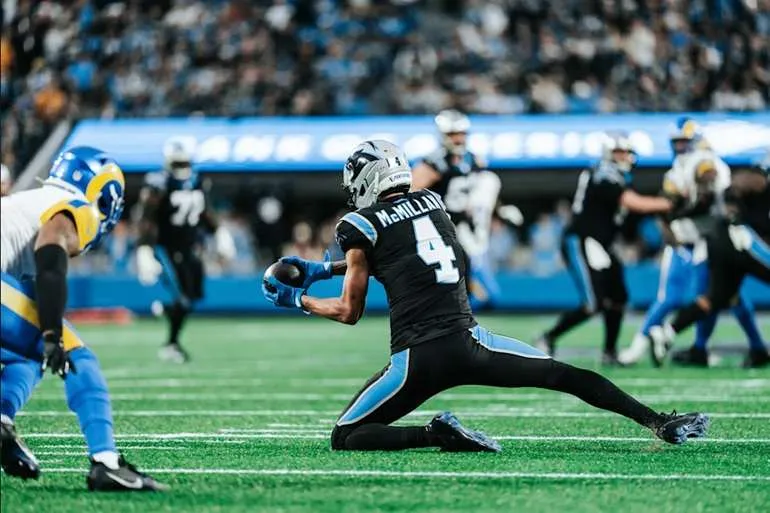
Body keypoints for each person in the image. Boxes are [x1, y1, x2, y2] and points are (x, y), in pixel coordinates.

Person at [262, 139, 709, 452]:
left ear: (368, 179)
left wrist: (297, 300)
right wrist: (327, 269)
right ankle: (658, 421)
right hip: (471, 344)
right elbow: (405, 251)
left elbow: (349, 309)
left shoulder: (357, 225)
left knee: (347, 435)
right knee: (565, 375)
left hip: (417, 359)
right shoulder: (433, 203)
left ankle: (434, 434)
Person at [0, 147, 167, 490]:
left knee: (26, 357)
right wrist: (52, 334)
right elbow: (50, 257)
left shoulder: (27, 203)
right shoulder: (75, 208)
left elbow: (29, 291)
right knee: (78, 355)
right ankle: (106, 462)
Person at [619, 118, 765, 366]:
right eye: (676, 142)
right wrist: (669, 225)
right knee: (674, 299)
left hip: (710, 242)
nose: (679, 147)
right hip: (684, 241)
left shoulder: (704, 160)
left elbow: (707, 177)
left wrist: (692, 197)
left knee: (717, 297)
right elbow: (667, 207)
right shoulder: (676, 170)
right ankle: (640, 345)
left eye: (684, 141)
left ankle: (702, 347)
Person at [533, 133, 674, 365]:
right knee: (593, 303)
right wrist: (668, 203)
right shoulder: (604, 172)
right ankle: (548, 337)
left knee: (618, 298)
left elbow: (627, 217)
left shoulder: (620, 177)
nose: (624, 157)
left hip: (603, 244)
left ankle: (609, 352)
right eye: (619, 152)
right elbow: (633, 203)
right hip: (582, 240)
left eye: (625, 152)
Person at [648, 155, 770, 368]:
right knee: (718, 298)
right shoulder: (755, 178)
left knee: (715, 299)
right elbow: (746, 181)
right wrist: (732, 201)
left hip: (725, 241)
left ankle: (666, 332)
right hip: (738, 240)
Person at [135, 138, 235, 363]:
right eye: (178, 164)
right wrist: (144, 249)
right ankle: (171, 344)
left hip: (190, 247)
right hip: (166, 247)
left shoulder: (197, 180)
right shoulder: (159, 182)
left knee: (192, 297)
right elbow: (147, 218)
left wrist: (219, 233)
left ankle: (168, 311)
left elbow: (205, 212)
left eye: (184, 163)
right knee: (183, 299)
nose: (182, 168)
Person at [411, 110, 510, 308]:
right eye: (452, 134)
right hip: (438, 226)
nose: (458, 138)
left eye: (461, 133)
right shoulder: (433, 163)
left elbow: (482, 191)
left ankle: (464, 306)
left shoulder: (473, 159)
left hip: (464, 225)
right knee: (450, 274)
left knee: (470, 273)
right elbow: (409, 193)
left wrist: (499, 210)